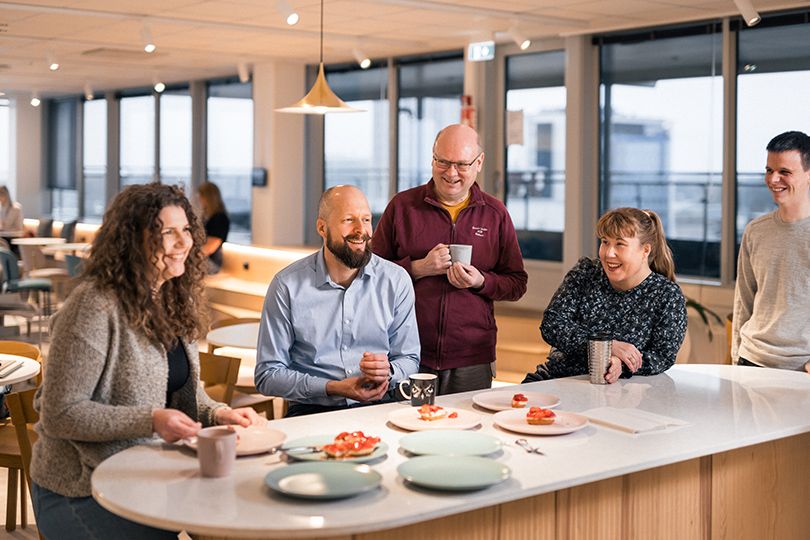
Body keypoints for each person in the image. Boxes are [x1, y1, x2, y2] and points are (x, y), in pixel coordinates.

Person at [30, 183, 263, 539]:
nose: (183, 242)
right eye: (166, 232)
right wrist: (151, 420)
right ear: (131, 240)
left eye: (186, 229)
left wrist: (218, 413)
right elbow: (61, 414)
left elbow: (184, 396)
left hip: (143, 475)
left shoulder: (171, 301)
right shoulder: (94, 305)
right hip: (79, 489)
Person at [372, 124, 527, 395]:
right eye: (442, 162)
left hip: (471, 355)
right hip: (408, 351)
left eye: (461, 164)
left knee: (465, 430)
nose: (451, 173)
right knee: (409, 429)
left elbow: (516, 283)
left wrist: (481, 281)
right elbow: (369, 276)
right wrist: (418, 268)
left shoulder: (495, 213)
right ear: (432, 159)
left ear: (479, 163)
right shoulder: (403, 207)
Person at [254, 185, 420, 417]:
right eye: (348, 220)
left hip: (380, 406)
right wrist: (332, 388)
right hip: (311, 410)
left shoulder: (396, 280)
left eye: (366, 219)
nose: (361, 230)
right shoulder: (286, 285)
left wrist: (389, 371)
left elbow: (410, 358)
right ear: (322, 227)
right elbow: (268, 375)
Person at [524, 208, 687, 384]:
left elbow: (662, 356)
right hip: (556, 379)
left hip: (621, 392)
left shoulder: (667, 295)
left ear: (645, 250)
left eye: (620, 244)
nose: (609, 253)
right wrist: (606, 346)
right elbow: (552, 325)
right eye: (605, 242)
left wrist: (621, 365)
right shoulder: (585, 273)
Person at [733, 131, 810, 373]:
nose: (773, 179)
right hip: (751, 359)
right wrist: (736, 357)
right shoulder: (755, 230)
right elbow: (743, 300)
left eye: (785, 172)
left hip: (801, 367)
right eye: (769, 170)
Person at [198, 181, 230, 274]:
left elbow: (211, 246)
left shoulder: (219, 218)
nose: (200, 200)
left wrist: (192, 258)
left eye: (201, 197)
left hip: (213, 262)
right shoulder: (208, 216)